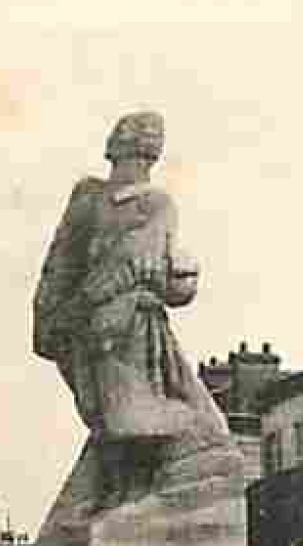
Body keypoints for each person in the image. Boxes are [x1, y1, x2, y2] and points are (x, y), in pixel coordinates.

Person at [33, 110, 229, 505]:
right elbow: (61, 260)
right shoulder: (87, 197)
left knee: (127, 416)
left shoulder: (156, 205)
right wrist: (52, 315)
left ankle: (133, 492)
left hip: (125, 324)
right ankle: (126, 488)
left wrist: (85, 302)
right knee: (101, 410)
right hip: (86, 323)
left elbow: (140, 261)